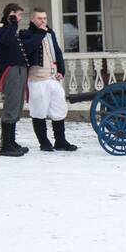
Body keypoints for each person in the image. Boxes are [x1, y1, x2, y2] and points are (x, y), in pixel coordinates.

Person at [19, 9, 77, 152]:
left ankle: (60, 141)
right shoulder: (25, 34)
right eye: (39, 18)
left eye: (45, 18)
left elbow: (57, 52)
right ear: (32, 19)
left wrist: (61, 71)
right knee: (39, 111)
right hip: (36, 79)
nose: (43, 21)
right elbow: (29, 48)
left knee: (59, 109)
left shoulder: (50, 33)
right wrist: (40, 33)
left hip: (52, 78)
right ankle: (44, 142)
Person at [0, 3, 29, 157]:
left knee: (17, 106)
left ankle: (11, 142)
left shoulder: (10, 30)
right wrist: (12, 22)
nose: (20, 19)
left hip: (19, 71)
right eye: (19, 15)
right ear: (11, 14)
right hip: (11, 71)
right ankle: (5, 146)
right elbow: (6, 40)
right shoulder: (2, 29)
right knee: (11, 107)